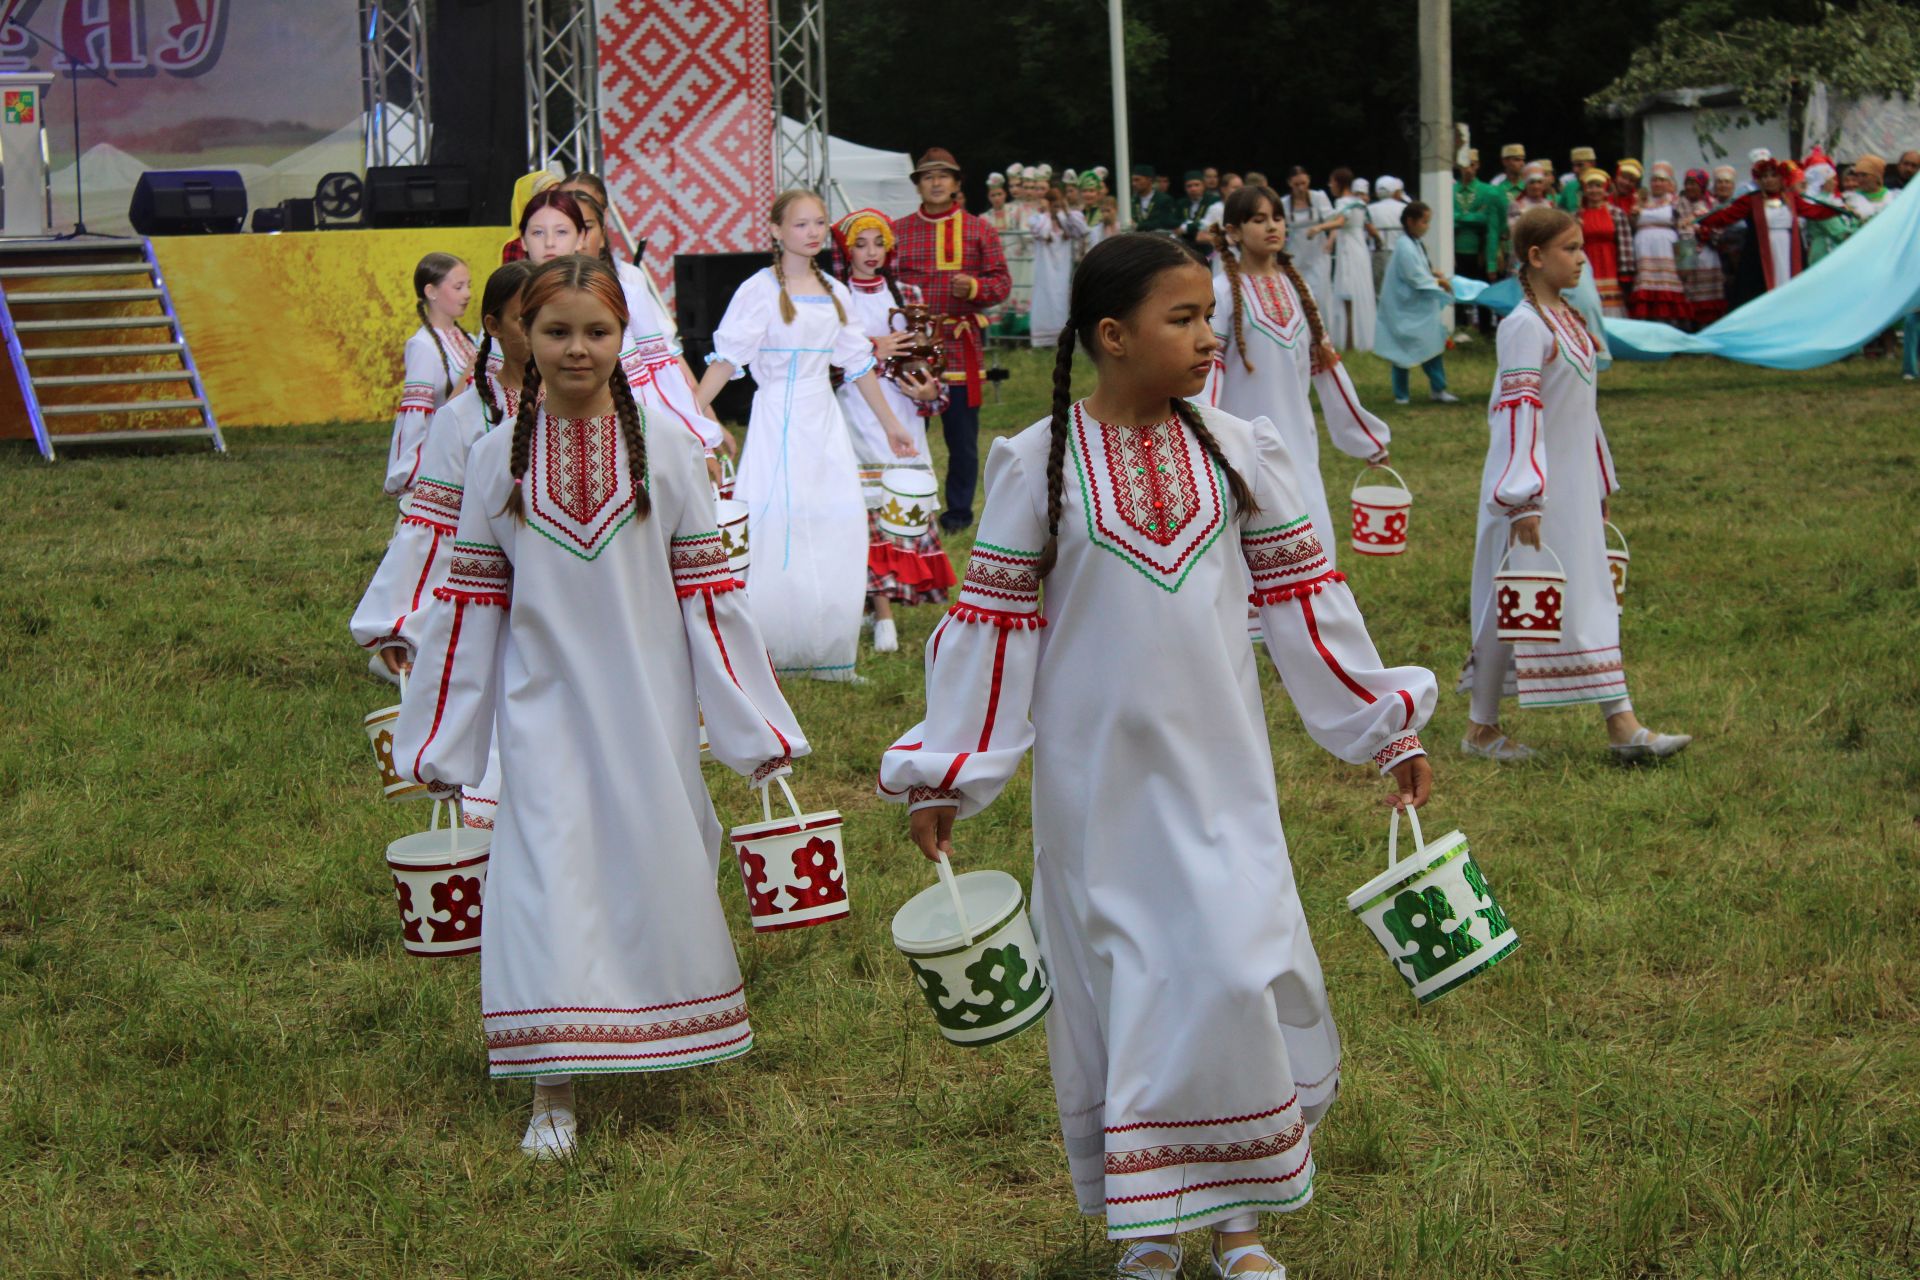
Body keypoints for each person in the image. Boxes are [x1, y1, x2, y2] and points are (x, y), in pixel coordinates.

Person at [880, 231, 1435, 1280]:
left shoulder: (1239, 448)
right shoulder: (1036, 463)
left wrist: (1380, 719)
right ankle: (1149, 1225)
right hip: (1099, 791)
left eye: (1206, 316)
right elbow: (994, 629)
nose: (1205, 335)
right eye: (1182, 318)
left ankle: (1240, 1219)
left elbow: (1307, 603)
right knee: (1129, 985)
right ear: (1111, 336)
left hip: (1223, 772)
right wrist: (950, 768)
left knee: (1232, 964)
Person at [393, 254, 811, 1159]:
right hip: (538, 707)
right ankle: (552, 1085)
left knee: (658, 856)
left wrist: (754, 726)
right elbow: (469, 603)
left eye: (597, 331)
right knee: (545, 871)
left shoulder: (668, 449)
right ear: (521, 338)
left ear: (626, 337)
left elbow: (708, 597)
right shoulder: (490, 457)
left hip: (647, 703)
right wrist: (441, 739)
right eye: (556, 331)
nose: (577, 349)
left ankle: (652, 1025)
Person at [1463, 208, 1691, 764]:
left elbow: (1580, 411)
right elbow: (1518, 412)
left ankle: (1619, 726)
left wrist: (1597, 479)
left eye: (1582, 247)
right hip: (1531, 491)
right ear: (1536, 257)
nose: (1583, 258)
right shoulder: (1524, 326)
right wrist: (1524, 496)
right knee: (1513, 602)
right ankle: (1485, 731)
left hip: (1568, 488)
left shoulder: (1566, 318)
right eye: (1570, 248)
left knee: (1582, 597)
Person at [697, 190, 918, 682]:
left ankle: (828, 645)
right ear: (776, 230)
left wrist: (892, 425)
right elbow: (727, 359)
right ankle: (769, 645)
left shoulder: (836, 293)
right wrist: (696, 416)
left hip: (824, 419)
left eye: (819, 223)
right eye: (801, 224)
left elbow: (858, 364)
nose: (812, 232)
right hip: (778, 417)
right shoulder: (757, 291)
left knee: (837, 518)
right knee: (778, 523)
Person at [353, 261, 534, 823]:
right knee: (509, 732)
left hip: (579, 598)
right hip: (499, 602)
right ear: (493, 327)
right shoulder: (462, 419)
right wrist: (397, 615)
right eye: (527, 319)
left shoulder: (592, 410)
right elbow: (431, 527)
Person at [1205, 184, 1392, 570]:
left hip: (1298, 445)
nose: (1272, 226)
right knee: (1245, 551)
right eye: (1258, 220)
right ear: (1234, 232)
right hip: (1240, 448)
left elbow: (1329, 371)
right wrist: (1198, 441)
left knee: (1312, 538)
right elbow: (1208, 376)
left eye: (1277, 218)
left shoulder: (1298, 288)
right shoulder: (1221, 294)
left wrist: (1367, 438)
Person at [831, 209, 957, 653]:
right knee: (869, 518)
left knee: (900, 513)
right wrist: (872, 347)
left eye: (877, 244)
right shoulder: (835, 297)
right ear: (846, 250)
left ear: (888, 248)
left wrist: (929, 392)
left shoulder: (909, 295)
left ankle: (878, 606)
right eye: (860, 244)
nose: (870, 253)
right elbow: (823, 364)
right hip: (855, 415)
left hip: (905, 416)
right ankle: (882, 616)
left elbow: (931, 364)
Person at [561, 181, 729, 462]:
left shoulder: (629, 285)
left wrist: (702, 423)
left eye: (586, 226)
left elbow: (666, 361)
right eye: (560, 228)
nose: (575, 239)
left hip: (631, 418)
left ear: (602, 232)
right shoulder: (532, 295)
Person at [891, 148, 1013, 534]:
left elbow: (1002, 284)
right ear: (919, 186)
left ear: (957, 184)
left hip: (961, 345)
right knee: (910, 433)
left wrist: (975, 286)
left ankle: (958, 515)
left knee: (961, 438)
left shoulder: (981, 229)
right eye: (928, 177)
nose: (937, 182)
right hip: (912, 349)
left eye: (944, 176)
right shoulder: (896, 231)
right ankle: (910, 506)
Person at [1695, 157, 1846, 307]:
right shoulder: (1751, 200)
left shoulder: (1791, 199)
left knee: (1790, 282)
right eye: (1764, 176)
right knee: (1762, 286)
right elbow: (1726, 216)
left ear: (1781, 178)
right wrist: (1700, 219)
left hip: (1789, 247)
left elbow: (1813, 211)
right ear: (1759, 180)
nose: (1768, 180)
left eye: (1773, 175)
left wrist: (1839, 210)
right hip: (1761, 251)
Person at [386, 253, 475, 501]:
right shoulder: (423, 346)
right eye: (458, 287)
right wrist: (413, 474)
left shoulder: (464, 338)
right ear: (431, 292)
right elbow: (416, 419)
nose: (467, 293)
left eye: (468, 286)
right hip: (443, 458)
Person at [1374, 201, 1458, 405]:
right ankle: (1401, 394)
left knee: (1432, 345)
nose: (1427, 226)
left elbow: (1420, 270)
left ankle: (1438, 388)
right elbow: (1414, 277)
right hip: (1404, 308)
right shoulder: (1405, 246)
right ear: (1410, 222)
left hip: (1416, 308)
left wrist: (1434, 274)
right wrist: (1439, 282)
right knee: (1400, 351)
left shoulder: (1414, 243)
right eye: (1424, 221)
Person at [1627, 162, 1693, 324]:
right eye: (1654, 180)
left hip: (1667, 250)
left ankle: (1669, 326)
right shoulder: (1640, 201)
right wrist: (1633, 216)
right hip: (1644, 251)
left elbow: (1687, 230)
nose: (1657, 183)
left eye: (1662, 180)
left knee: (1667, 289)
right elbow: (1631, 227)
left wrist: (1686, 261)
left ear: (1669, 183)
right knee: (1645, 289)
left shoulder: (1677, 201)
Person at [1029, 185, 1089, 348]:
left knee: (1063, 300)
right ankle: (1043, 340)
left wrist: (1065, 212)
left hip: (1063, 271)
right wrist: (1048, 213)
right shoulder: (1037, 219)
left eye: (1057, 204)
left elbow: (1082, 230)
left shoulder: (1068, 219)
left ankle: (1064, 337)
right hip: (1044, 270)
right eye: (1052, 204)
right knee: (1043, 300)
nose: (1055, 208)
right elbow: (1042, 232)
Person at [1326, 168, 1379, 351]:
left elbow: (1339, 222)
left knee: (1347, 291)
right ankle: (1358, 337)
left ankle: (1350, 340)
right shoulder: (1360, 204)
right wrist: (1379, 243)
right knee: (1359, 290)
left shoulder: (1342, 203)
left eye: (1332, 182)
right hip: (1360, 249)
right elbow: (1371, 229)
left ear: (1339, 183)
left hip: (1348, 249)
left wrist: (1318, 228)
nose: (1330, 186)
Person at [1577, 170, 1635, 316]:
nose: (1594, 190)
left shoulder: (1616, 213)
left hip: (1610, 264)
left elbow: (1625, 244)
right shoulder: (1578, 216)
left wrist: (1625, 273)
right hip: (1587, 264)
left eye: (1598, 186)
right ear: (1584, 189)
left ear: (1605, 189)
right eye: (1590, 186)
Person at [1280, 167, 1337, 312]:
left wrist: (1329, 240)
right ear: (1289, 183)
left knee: (1321, 295)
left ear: (1309, 181)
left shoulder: (1318, 197)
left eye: (1303, 183)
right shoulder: (1284, 203)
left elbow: (1334, 222)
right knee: (1299, 295)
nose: (1300, 188)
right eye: (1296, 184)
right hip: (1296, 254)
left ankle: (1325, 331)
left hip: (1318, 252)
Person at [1679, 169, 1728, 328]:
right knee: (1686, 289)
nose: (1690, 187)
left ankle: (1707, 327)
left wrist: (1702, 230)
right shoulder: (1677, 203)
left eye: (1694, 184)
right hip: (1683, 249)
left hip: (1707, 252)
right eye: (1688, 183)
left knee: (1707, 295)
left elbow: (1720, 230)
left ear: (1702, 185)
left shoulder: (1712, 204)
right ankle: (1687, 328)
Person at [1367, 176, 1407, 292]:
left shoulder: (1370, 209)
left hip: (1377, 252)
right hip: (1399, 251)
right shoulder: (1403, 207)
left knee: (1379, 289)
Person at [1130, 164, 1180, 232]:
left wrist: (1139, 226)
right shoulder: (1132, 201)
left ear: (1149, 180)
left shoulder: (1164, 199)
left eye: (1137, 180)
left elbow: (1164, 222)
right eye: (1133, 180)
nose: (1133, 184)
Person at [1175, 169, 1213, 251]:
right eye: (1189, 186)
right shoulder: (1181, 203)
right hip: (1186, 243)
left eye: (1197, 185)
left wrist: (1187, 228)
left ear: (1203, 186)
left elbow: (1208, 222)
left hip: (1206, 244)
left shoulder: (1212, 201)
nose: (1193, 189)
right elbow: (1175, 222)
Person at [1557, 146, 1598, 211]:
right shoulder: (1569, 187)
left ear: (1592, 165)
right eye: (1573, 165)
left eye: (1580, 165)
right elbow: (1560, 214)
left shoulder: (1604, 186)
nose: (1575, 170)